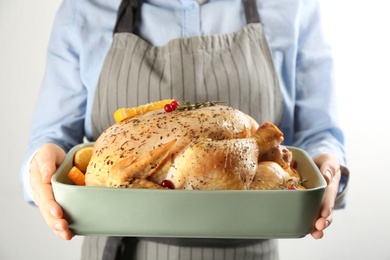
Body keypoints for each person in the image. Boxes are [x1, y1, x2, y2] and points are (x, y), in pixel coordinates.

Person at [20, 0, 349, 259]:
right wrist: (43, 165)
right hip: (120, 251)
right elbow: (52, 139)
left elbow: (318, 136)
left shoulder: (293, 7)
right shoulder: (85, 8)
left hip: (248, 253)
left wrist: (328, 167)